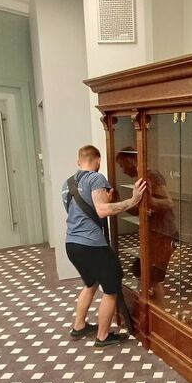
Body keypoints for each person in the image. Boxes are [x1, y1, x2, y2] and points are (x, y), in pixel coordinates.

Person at [62, 144, 146, 348]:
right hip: (92, 246)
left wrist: (102, 201)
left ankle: (79, 326)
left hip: (72, 244)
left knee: (90, 283)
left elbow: (82, 211)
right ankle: (103, 336)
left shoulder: (67, 183)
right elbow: (101, 210)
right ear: (98, 160)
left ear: (78, 161)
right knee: (111, 288)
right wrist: (134, 200)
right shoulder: (96, 178)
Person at [115, 148, 178, 305]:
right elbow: (140, 210)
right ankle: (147, 310)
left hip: (163, 234)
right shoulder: (142, 178)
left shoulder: (152, 176)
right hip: (153, 235)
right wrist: (120, 203)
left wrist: (149, 201)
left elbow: (169, 203)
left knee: (152, 277)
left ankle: (156, 313)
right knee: (142, 273)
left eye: (122, 165)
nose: (123, 171)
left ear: (130, 161)